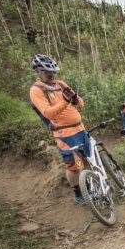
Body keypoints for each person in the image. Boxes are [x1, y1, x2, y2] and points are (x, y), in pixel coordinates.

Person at [28, 54, 89, 205]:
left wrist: (76, 99)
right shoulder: (36, 90)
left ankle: (91, 185)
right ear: (39, 72)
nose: (51, 75)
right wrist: (65, 101)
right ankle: (78, 193)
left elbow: (81, 105)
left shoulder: (60, 84)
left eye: (53, 72)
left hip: (80, 128)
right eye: (48, 73)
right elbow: (48, 113)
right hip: (63, 133)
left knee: (87, 159)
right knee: (73, 166)